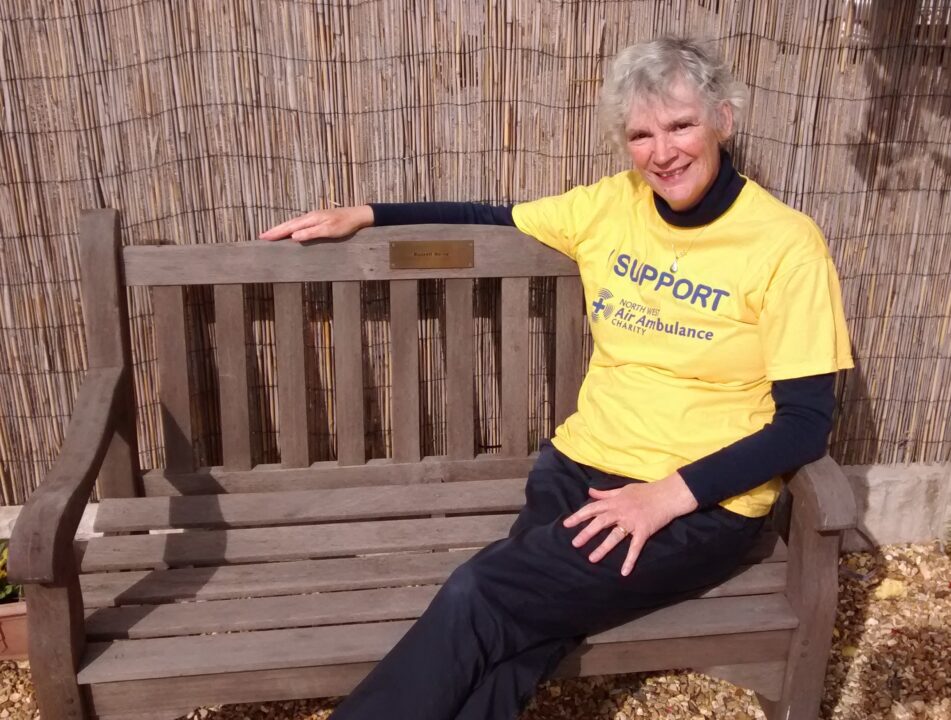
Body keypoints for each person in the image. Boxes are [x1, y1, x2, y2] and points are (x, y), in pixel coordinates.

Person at [260, 36, 853, 720]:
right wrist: (367, 214)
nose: (662, 152)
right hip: (575, 470)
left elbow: (806, 423)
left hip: (696, 508)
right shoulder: (609, 206)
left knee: (480, 593)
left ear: (723, 117)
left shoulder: (784, 243)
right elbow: (492, 217)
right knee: (516, 635)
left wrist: (666, 497)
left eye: (681, 125)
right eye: (640, 134)